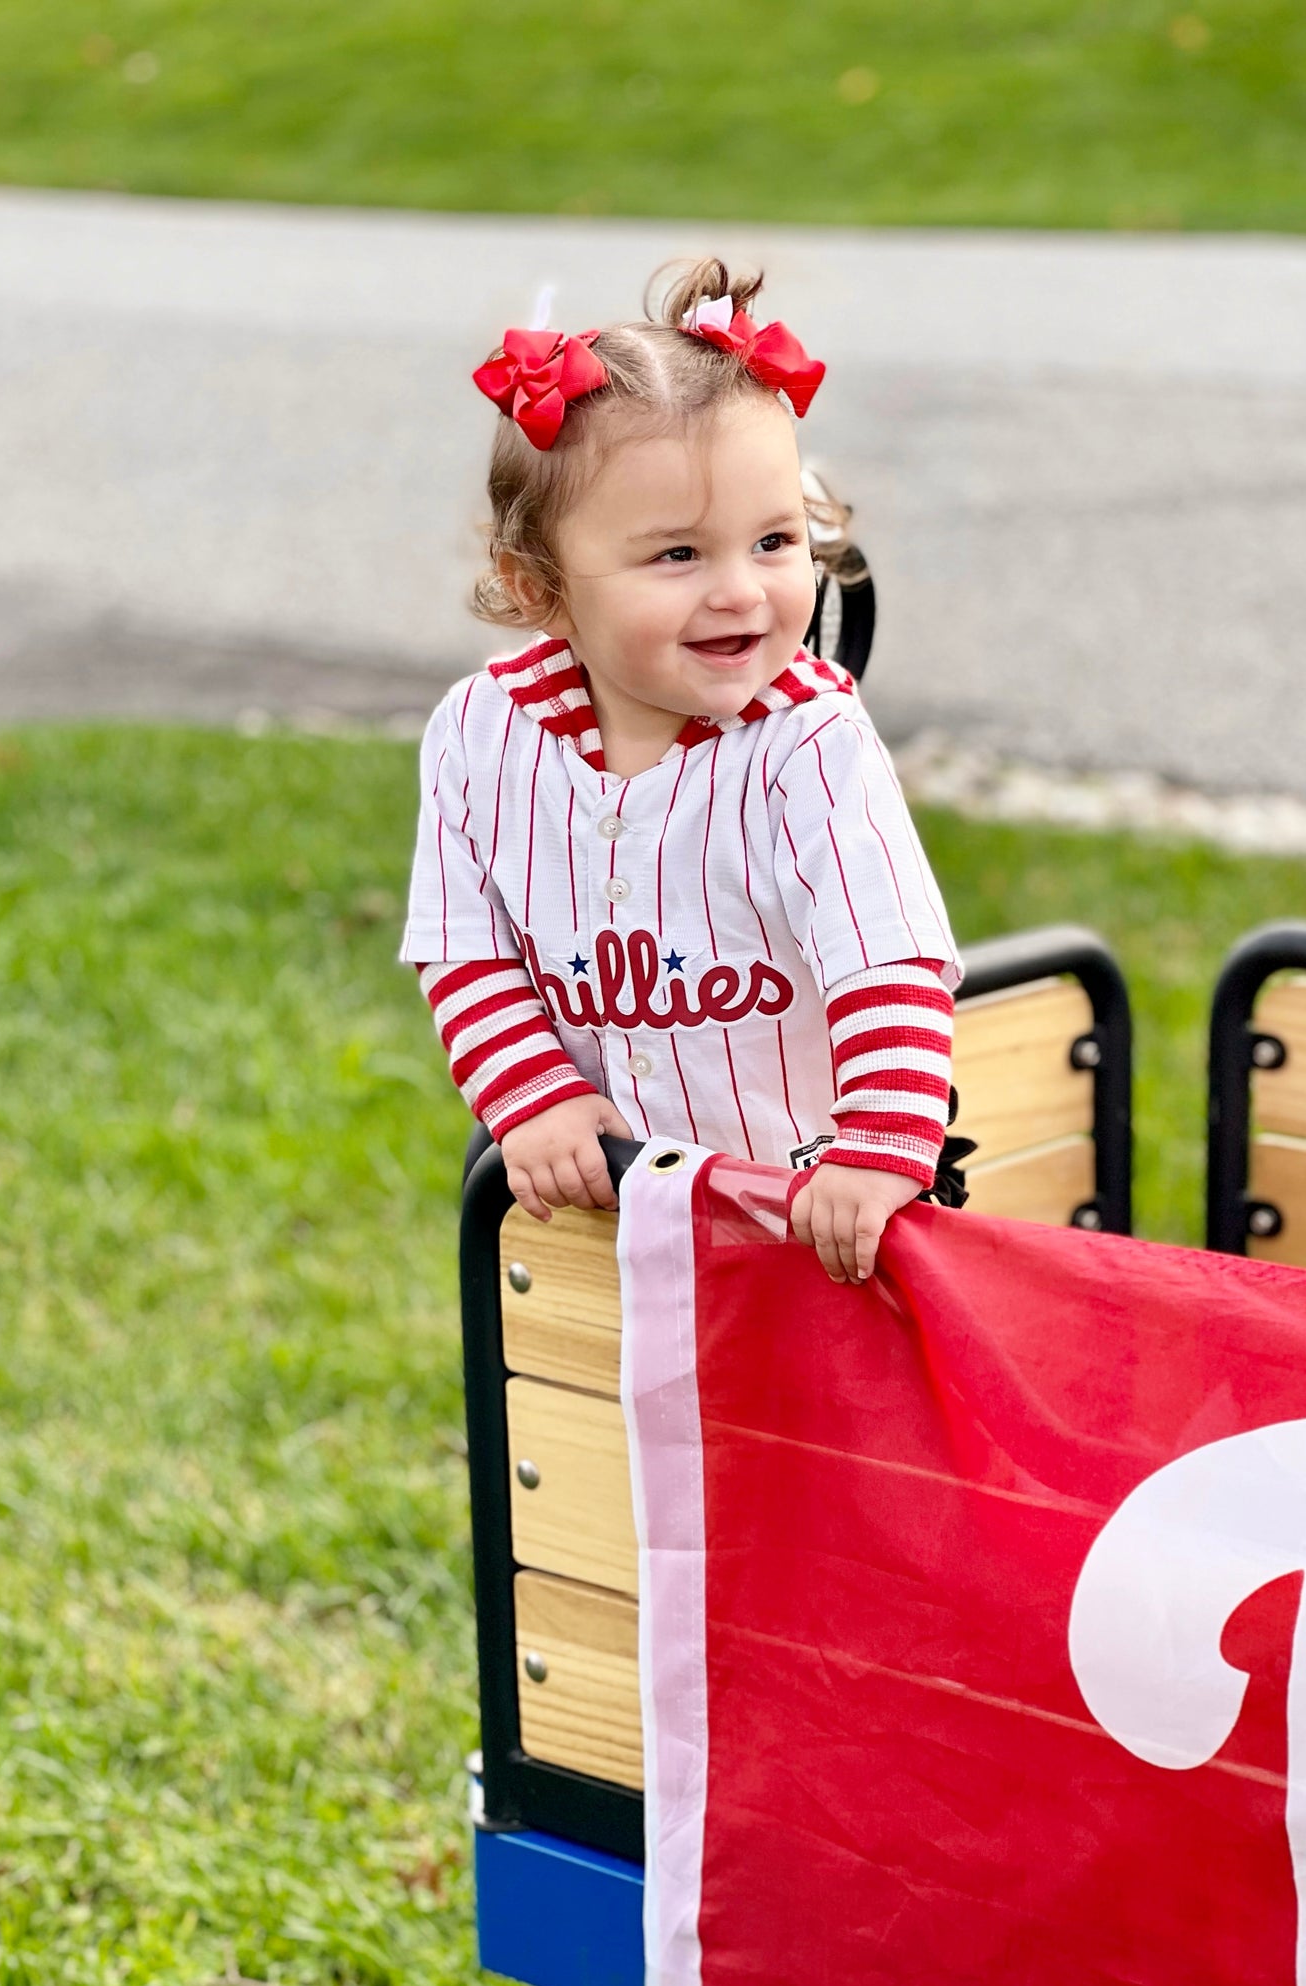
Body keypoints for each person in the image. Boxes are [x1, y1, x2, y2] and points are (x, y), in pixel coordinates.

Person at [401, 259, 961, 1284]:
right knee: (607, 1428)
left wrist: (877, 1148)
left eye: (774, 540)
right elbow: (463, 951)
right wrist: (537, 1097)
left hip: (811, 1217)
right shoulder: (480, 735)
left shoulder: (808, 742)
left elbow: (890, 962)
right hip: (609, 1218)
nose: (741, 592)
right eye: (678, 556)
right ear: (544, 590)